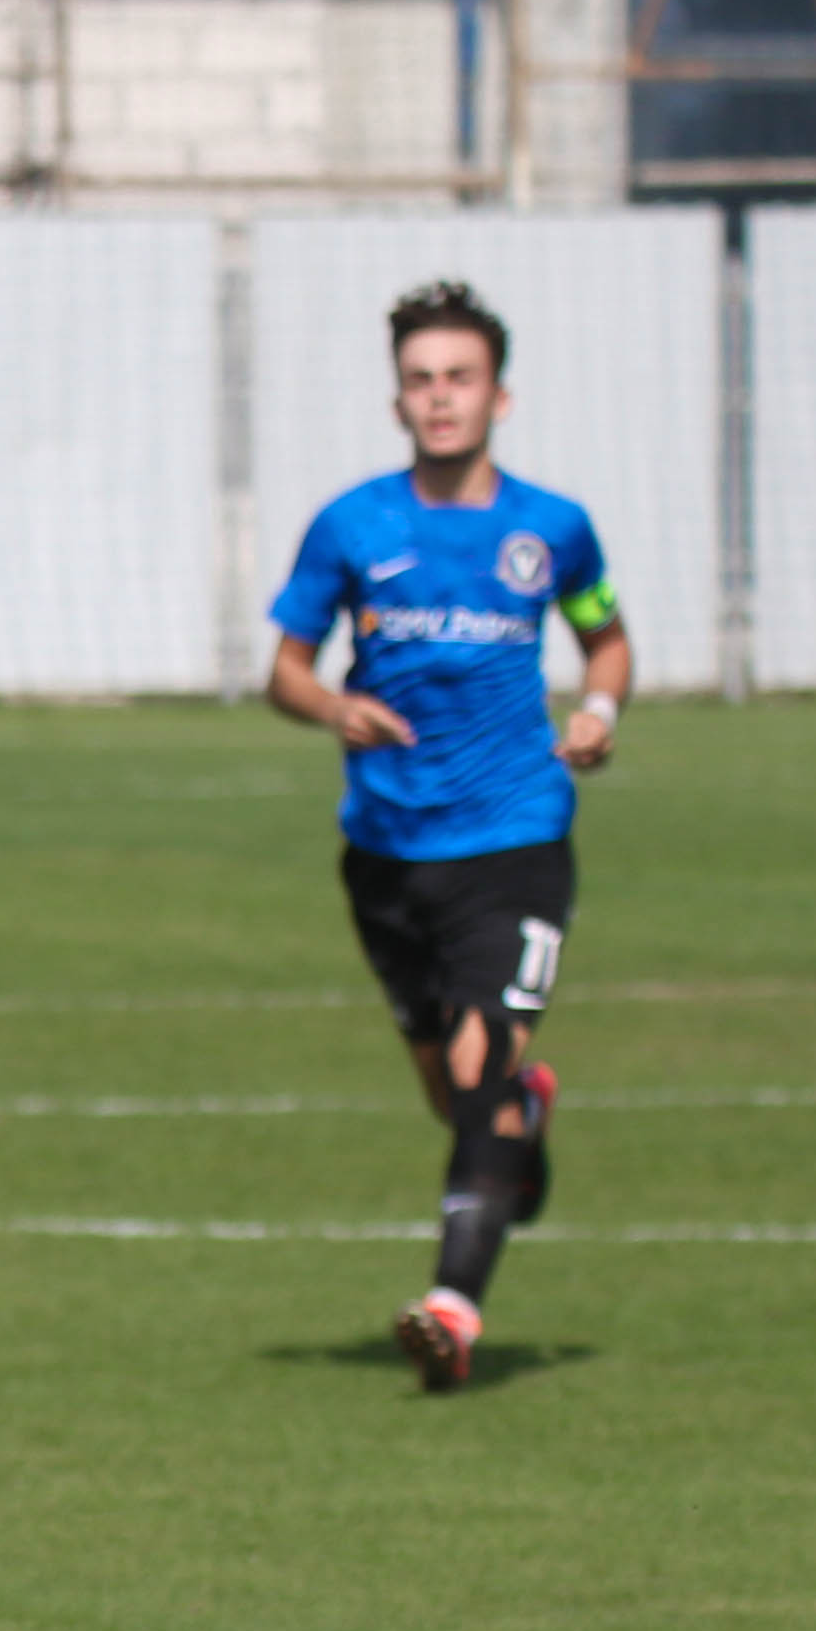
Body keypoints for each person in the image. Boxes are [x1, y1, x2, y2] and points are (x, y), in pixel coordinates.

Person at [264, 279, 626, 1393]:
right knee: (452, 1086)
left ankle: (452, 1310)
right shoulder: (352, 526)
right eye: (420, 380)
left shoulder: (552, 530)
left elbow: (605, 639)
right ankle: (523, 1115)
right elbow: (284, 670)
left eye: (459, 377)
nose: (440, 397)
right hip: (383, 851)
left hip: (516, 837)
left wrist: (598, 711)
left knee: (478, 1065)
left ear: (497, 396)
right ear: (398, 402)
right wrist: (332, 707)